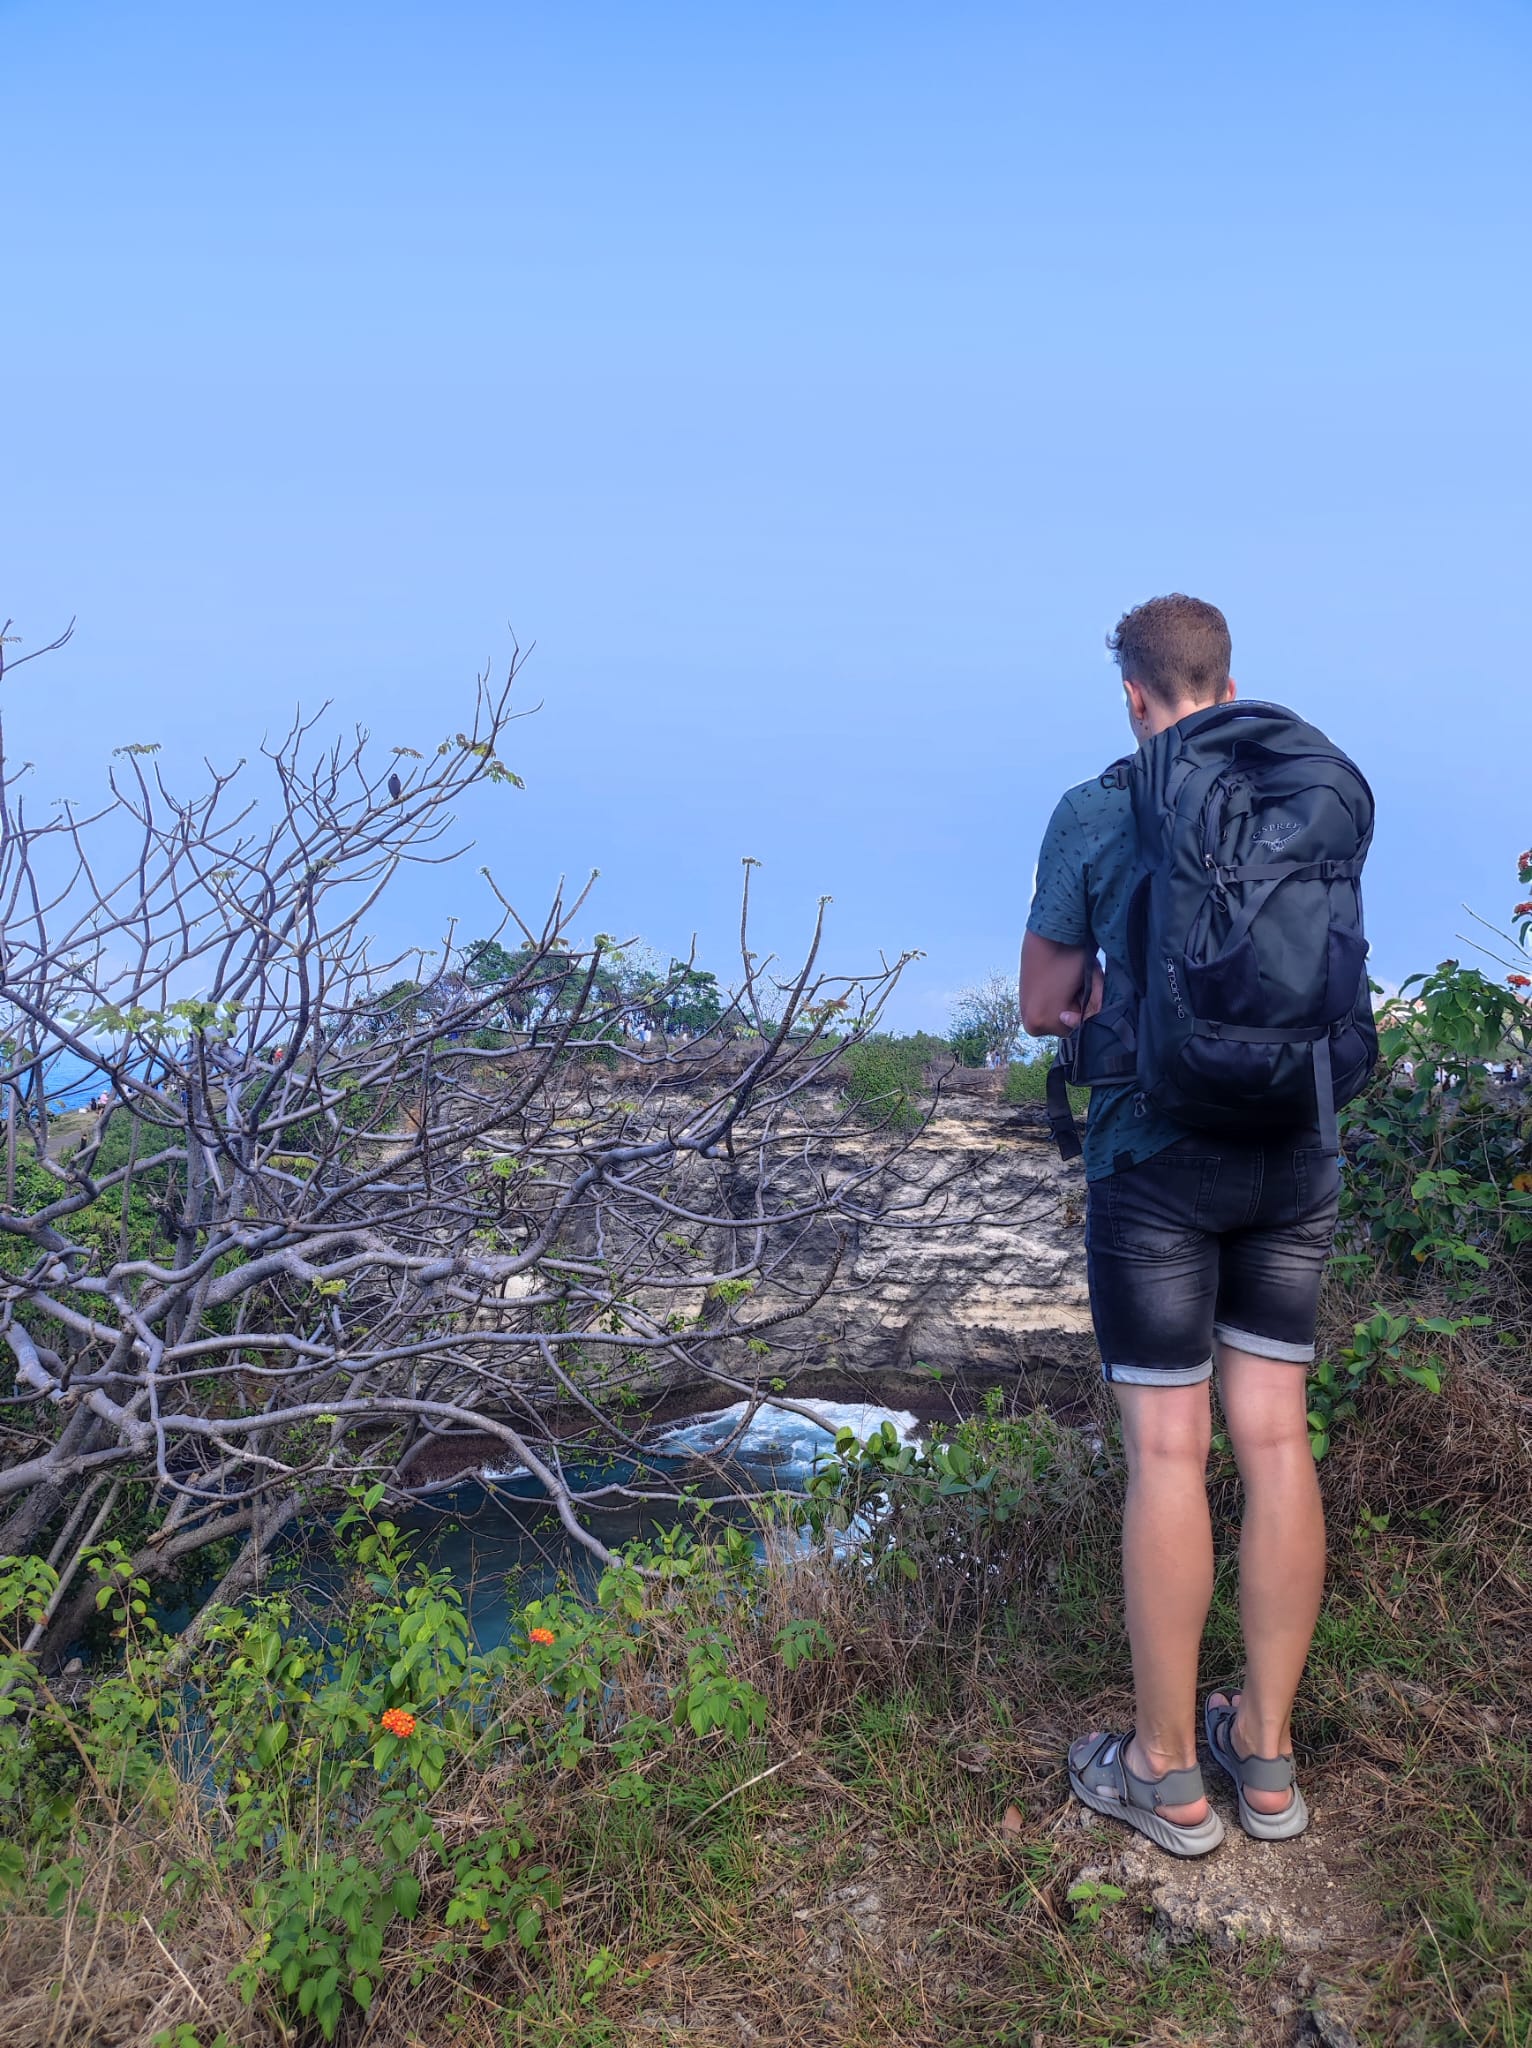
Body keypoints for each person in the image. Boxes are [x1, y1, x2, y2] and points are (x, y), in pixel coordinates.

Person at [1020, 594, 1340, 1857]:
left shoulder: (1098, 805)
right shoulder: (1300, 787)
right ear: (1226, 682)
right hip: (1292, 1146)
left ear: (1132, 693)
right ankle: (1263, 1757)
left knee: (1168, 1450)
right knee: (1273, 1438)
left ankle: (1162, 1770)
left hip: (1153, 1157)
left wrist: (1106, 998)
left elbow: (1043, 999)